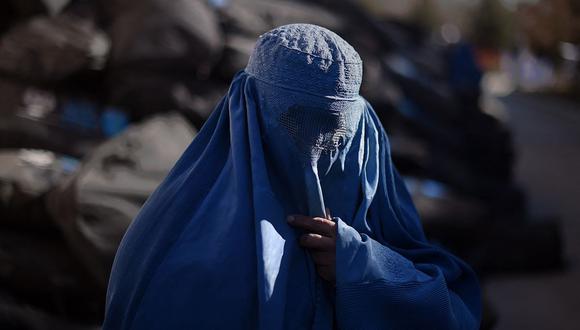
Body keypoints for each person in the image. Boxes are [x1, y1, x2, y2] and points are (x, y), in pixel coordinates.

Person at [103, 24, 481, 329]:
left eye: (336, 136)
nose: (316, 157)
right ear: (247, 118)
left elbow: (455, 311)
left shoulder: (372, 203)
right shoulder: (177, 254)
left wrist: (367, 270)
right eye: (294, 126)